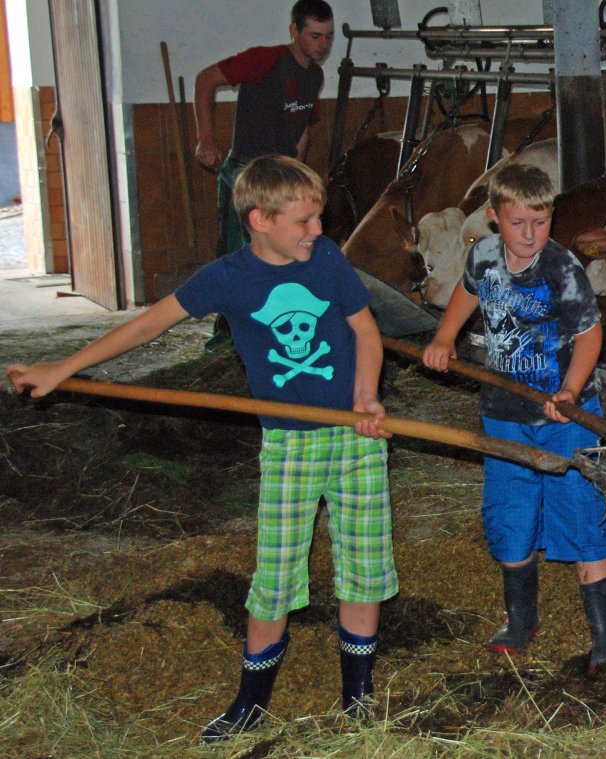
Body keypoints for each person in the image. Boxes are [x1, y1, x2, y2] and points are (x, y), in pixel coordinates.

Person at [7, 156, 398, 742]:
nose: (318, 230)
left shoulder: (327, 260)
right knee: (275, 576)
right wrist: (63, 368)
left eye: (318, 219)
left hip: (355, 439)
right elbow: (146, 326)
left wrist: (366, 398)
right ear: (260, 219)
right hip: (289, 445)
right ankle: (250, 704)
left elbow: (365, 331)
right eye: (305, 221)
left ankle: (359, 700)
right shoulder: (225, 278)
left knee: (363, 569)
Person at [420, 163, 606, 676]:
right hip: (505, 412)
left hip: (567, 416)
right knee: (510, 511)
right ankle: (520, 620)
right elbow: (469, 291)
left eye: (541, 221)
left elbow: (589, 336)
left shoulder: (562, 268)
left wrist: (569, 390)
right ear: (495, 218)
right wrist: (446, 336)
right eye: (519, 223)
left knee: (583, 512)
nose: (531, 234)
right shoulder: (484, 255)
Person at [194, 0, 334, 350]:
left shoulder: (314, 75)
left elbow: (302, 128)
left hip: (280, 181)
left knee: (281, 255)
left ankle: (267, 333)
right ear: (294, 31)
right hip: (245, 175)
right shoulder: (263, 60)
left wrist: (299, 174)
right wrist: (206, 139)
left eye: (328, 37)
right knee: (238, 258)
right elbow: (205, 80)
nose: (323, 44)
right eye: (315, 36)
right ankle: (225, 341)